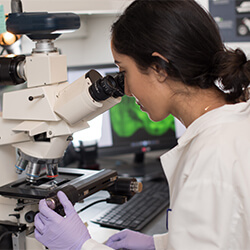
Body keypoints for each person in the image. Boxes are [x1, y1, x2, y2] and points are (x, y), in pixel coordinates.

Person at [34, 0, 250, 249]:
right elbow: (224, 233)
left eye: (123, 71)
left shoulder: (212, 158)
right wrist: (162, 244)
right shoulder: (233, 125)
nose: (124, 89)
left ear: (159, 68)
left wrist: (82, 247)